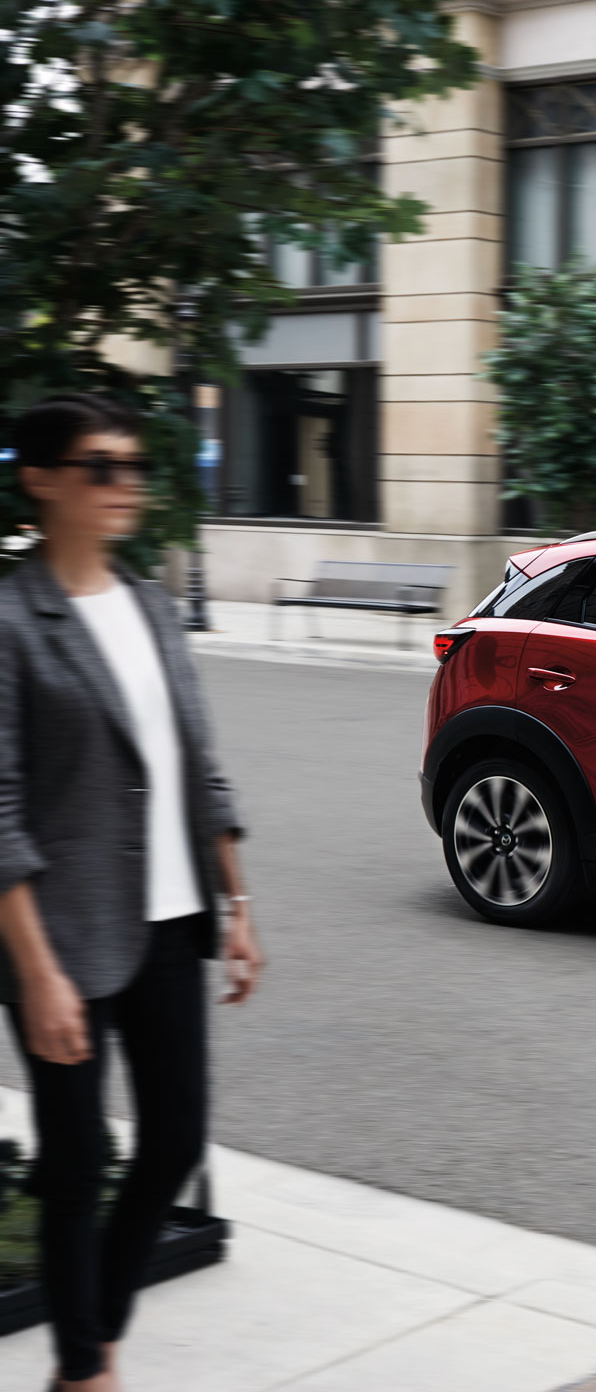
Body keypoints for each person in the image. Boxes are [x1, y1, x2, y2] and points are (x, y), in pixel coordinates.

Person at [0, 393, 264, 1392]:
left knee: (174, 1140)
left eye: (133, 465)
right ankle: (84, 1370)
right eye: (100, 465)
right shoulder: (12, 621)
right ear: (43, 478)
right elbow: (0, 806)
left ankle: (91, 1337)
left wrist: (238, 905)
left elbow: (201, 764)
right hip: (58, 936)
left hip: (168, 920)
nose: (125, 485)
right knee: (73, 1165)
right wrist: (34, 973)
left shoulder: (152, 604)